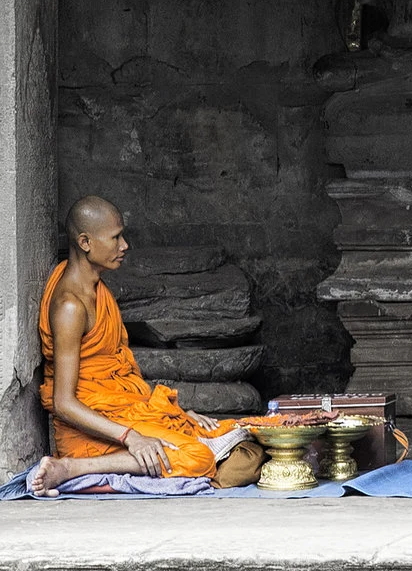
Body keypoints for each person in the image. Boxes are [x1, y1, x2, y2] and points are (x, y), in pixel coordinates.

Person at [30, 196, 252, 491]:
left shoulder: (97, 288)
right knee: (196, 457)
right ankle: (72, 468)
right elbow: (64, 403)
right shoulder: (70, 307)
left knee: (237, 431)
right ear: (85, 242)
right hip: (89, 431)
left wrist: (175, 415)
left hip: (120, 412)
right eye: (116, 237)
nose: (124, 245)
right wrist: (131, 438)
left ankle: (168, 441)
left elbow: (117, 374)